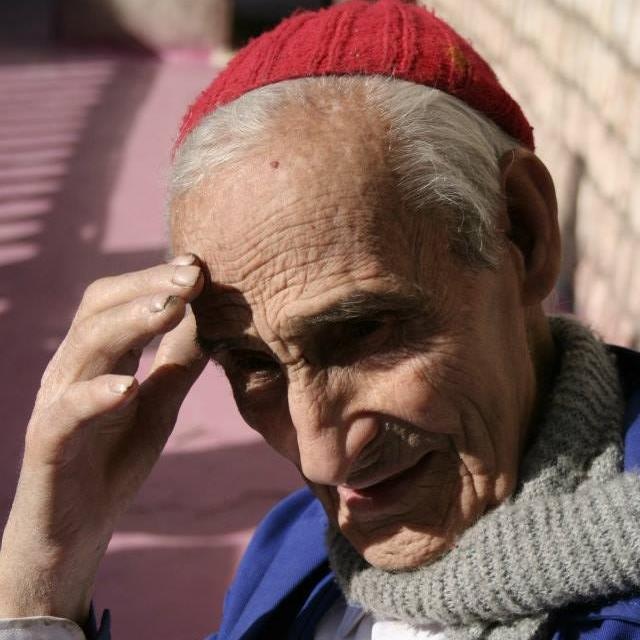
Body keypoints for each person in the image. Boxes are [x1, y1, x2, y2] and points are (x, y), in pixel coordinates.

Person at [1, 1, 640, 638]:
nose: (322, 459)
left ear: (522, 232)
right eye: (253, 365)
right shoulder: (294, 543)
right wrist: (45, 577)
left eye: (361, 333)